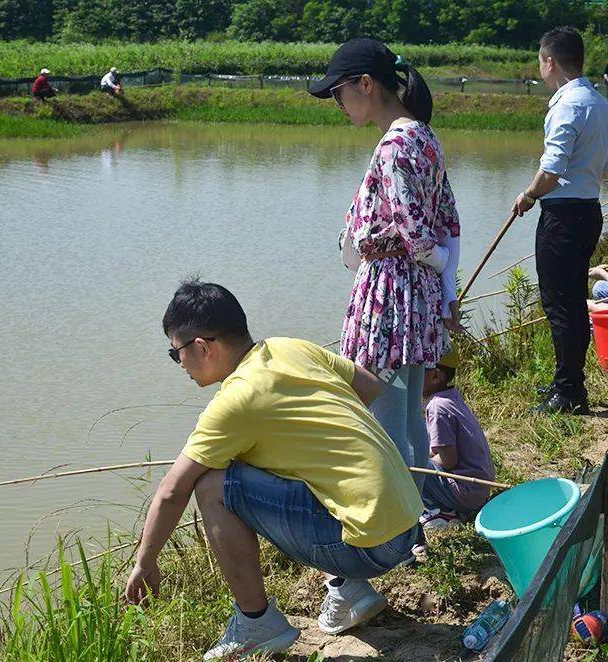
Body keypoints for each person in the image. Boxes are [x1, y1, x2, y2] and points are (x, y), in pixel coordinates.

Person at [124, 279, 423, 660]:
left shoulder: (237, 401)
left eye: (175, 353)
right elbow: (369, 386)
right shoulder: (290, 347)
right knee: (275, 454)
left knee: (213, 484)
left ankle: (256, 621)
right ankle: (350, 588)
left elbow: (172, 491)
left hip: (370, 547)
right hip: (407, 525)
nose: (179, 364)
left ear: (201, 346)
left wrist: (145, 561)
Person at [308, 38, 461, 496]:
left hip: (390, 292)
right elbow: (449, 217)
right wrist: (444, 282)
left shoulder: (393, 146)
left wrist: (432, 259)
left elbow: (415, 230)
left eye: (339, 92)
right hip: (416, 294)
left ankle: (403, 526)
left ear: (366, 84)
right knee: (409, 413)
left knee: (387, 417)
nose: (338, 104)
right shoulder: (424, 135)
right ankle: (433, 506)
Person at [511, 27, 608, 415]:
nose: (540, 69)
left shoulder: (568, 104)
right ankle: (567, 383)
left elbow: (551, 168)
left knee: (561, 305)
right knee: (571, 301)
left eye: (540, 61)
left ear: (550, 61)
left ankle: (569, 392)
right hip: (589, 210)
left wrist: (529, 194)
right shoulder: (600, 103)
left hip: (563, 216)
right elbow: (604, 165)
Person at [419, 347, 495, 530]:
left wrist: (423, 458)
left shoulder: (437, 407)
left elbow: (448, 461)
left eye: (416, 372)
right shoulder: (450, 396)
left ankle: (441, 512)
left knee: (410, 463)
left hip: (466, 493)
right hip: (479, 489)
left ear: (435, 376)